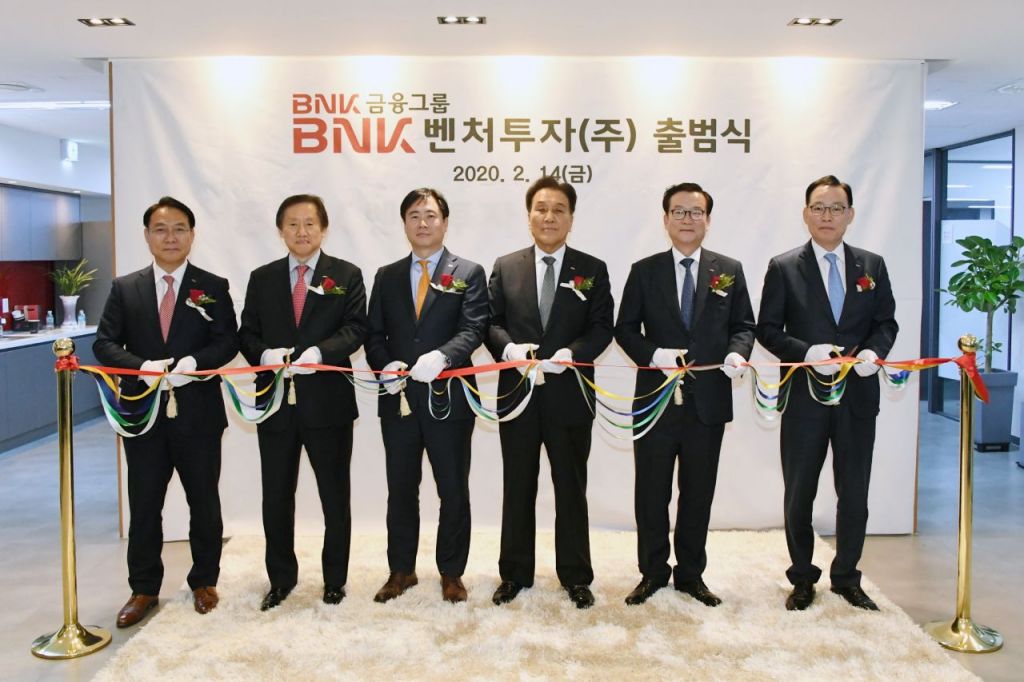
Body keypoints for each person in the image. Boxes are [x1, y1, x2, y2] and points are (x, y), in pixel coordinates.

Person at [94, 196, 239, 626]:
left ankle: (204, 581)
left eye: (179, 229)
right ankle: (143, 588)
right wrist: (140, 366)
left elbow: (227, 341)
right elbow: (104, 344)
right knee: (144, 505)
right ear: (147, 236)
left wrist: (195, 363)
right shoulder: (125, 288)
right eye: (161, 229)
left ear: (192, 235)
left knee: (204, 502)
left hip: (198, 414)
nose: (170, 237)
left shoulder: (212, 286)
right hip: (143, 414)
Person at [756, 175, 898, 611]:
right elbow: (766, 329)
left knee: (854, 492)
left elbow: (886, 322)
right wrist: (806, 352)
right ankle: (802, 577)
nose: (827, 216)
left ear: (850, 214)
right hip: (804, 398)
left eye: (836, 208)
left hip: (857, 397)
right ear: (805, 214)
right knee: (799, 493)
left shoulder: (872, 266)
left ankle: (847, 577)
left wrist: (874, 352)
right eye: (818, 207)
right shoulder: (784, 267)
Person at [615, 182, 755, 606]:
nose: (687, 219)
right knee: (651, 493)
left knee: (698, 493)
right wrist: (653, 354)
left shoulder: (728, 269)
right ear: (665, 219)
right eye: (679, 211)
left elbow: (744, 326)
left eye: (696, 212)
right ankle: (652, 572)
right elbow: (624, 330)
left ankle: (691, 574)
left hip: (708, 403)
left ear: (708, 220)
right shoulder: (644, 270)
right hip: (654, 403)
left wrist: (737, 353)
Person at [486, 176, 614, 609]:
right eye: (541, 208)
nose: (549, 217)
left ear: (571, 218)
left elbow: (602, 327)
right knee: (517, 486)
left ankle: (576, 576)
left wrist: (572, 353)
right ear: (529, 216)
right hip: (518, 396)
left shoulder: (591, 269)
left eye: (559, 209)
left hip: (570, 396)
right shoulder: (506, 266)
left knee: (571, 488)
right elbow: (490, 321)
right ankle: (514, 574)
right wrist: (508, 349)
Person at [238, 194, 367, 610]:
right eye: (292, 224)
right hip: (275, 402)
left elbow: (356, 328)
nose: (302, 231)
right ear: (281, 230)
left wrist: (320, 353)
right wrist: (264, 354)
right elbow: (246, 333)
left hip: (328, 403)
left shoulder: (346, 274)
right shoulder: (262, 278)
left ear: (323, 228)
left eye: (310, 223)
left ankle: (335, 580)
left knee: (335, 496)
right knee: (276, 496)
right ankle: (281, 579)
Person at [365, 188, 488, 603]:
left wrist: (443, 356)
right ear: (404, 223)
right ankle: (401, 570)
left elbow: (474, 328)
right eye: (414, 215)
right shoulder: (386, 275)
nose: (423, 222)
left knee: (452, 489)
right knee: (401, 488)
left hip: (449, 398)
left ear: (445, 222)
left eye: (431, 215)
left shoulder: (468, 272)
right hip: (398, 399)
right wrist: (385, 366)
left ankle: (451, 572)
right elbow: (373, 334)